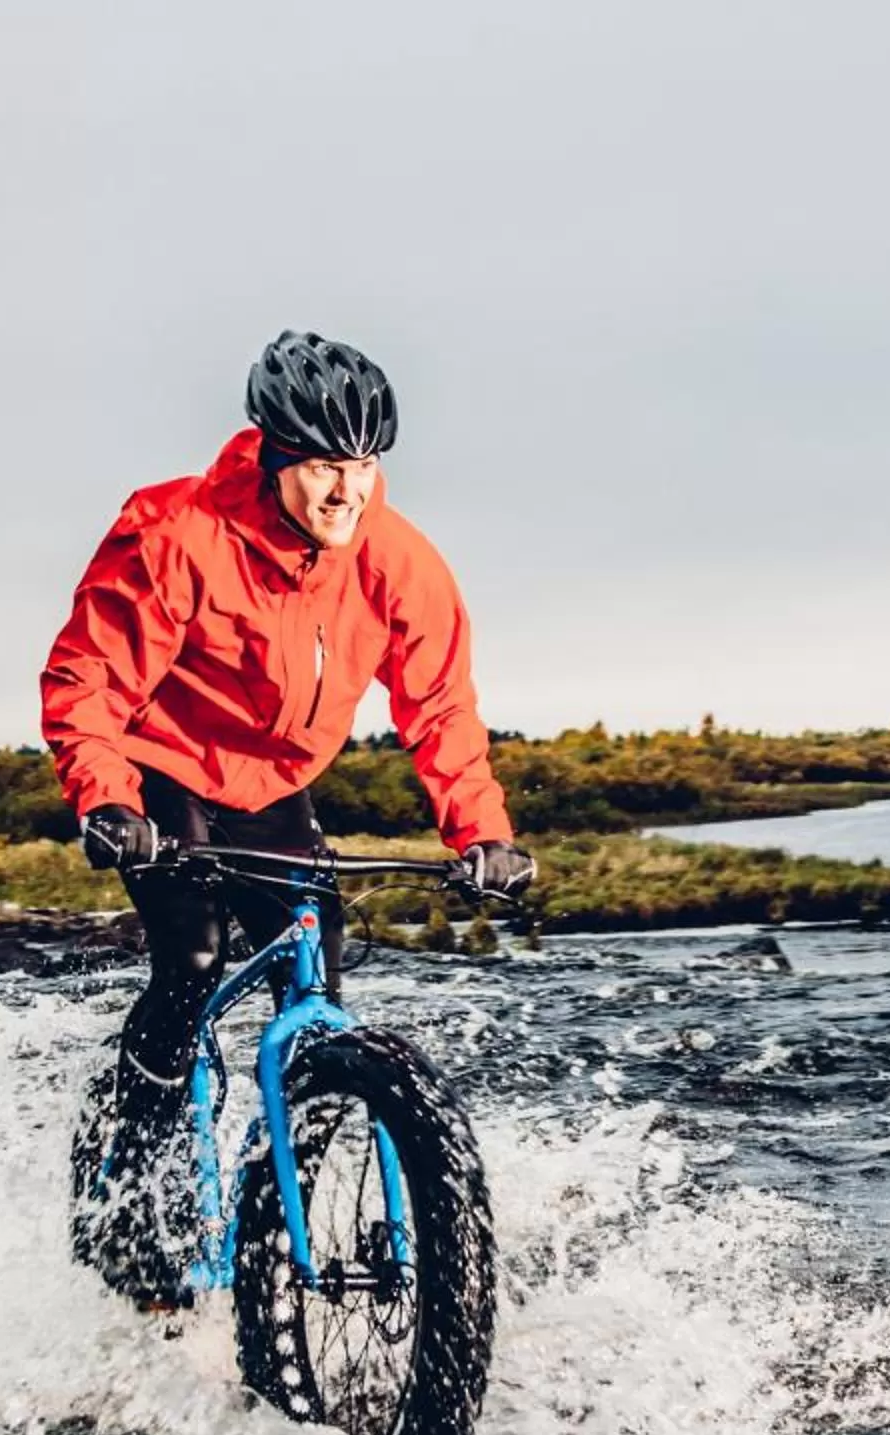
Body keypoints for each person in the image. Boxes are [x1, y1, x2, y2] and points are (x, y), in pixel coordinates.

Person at [41, 329, 532, 1301]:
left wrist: (481, 832)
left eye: (360, 465)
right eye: (320, 468)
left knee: (319, 992)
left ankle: (287, 1205)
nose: (344, 490)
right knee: (190, 963)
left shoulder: (396, 559)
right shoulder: (178, 533)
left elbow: (437, 706)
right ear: (272, 455)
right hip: (163, 773)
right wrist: (107, 800)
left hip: (274, 790)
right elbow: (89, 678)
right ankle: (131, 1181)